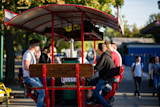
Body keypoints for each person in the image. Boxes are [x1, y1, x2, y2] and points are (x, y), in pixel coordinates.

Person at [22, 39, 45, 107]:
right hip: (28, 77)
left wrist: (37, 58)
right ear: (34, 46)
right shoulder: (28, 54)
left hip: (32, 76)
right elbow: (26, 67)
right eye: (38, 45)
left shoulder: (31, 54)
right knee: (42, 91)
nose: (39, 47)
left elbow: (34, 66)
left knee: (47, 84)